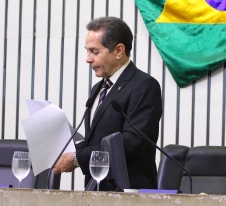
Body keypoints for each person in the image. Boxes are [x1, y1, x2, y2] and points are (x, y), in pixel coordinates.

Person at [53, 16, 162, 190]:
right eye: (87, 51)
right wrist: (67, 149)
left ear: (119, 51)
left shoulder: (144, 86)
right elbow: (97, 139)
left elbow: (131, 143)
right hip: (95, 189)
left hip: (128, 192)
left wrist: (77, 158)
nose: (88, 59)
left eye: (94, 52)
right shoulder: (99, 87)